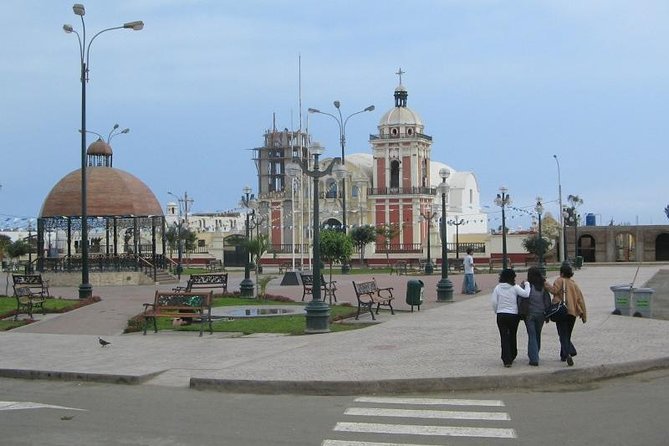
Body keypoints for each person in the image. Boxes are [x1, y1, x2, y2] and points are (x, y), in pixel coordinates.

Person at [491, 268, 530, 367]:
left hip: (501, 314)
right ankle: (513, 354)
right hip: (513, 315)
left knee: (503, 336)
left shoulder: (497, 288)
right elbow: (526, 294)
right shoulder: (515, 287)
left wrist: (497, 311)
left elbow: (494, 302)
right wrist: (527, 284)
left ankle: (506, 359)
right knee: (512, 335)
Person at [550, 263, 587, 366]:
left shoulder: (559, 280)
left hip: (562, 311)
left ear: (561, 273)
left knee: (562, 334)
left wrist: (545, 284)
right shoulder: (574, 284)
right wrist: (584, 315)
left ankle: (570, 351)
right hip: (572, 313)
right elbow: (581, 300)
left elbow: (554, 290)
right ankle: (563, 355)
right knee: (567, 334)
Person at [522, 267, 552, 366]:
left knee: (532, 335)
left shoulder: (526, 286)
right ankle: (535, 353)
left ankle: (534, 358)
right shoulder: (542, 287)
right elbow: (547, 301)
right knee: (537, 334)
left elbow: (521, 299)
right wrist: (547, 314)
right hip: (541, 314)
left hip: (529, 314)